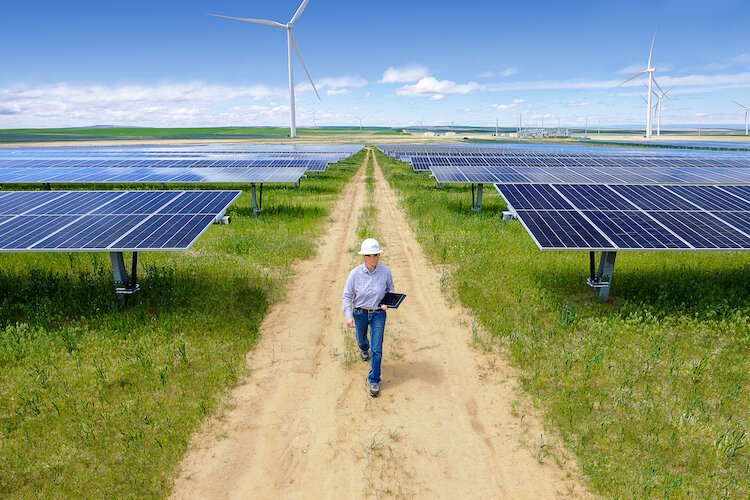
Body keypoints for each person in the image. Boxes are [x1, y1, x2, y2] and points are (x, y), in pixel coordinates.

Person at [342, 238, 394, 398]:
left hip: (378, 313)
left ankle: (374, 380)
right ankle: (364, 349)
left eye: (377, 254)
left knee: (377, 349)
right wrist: (348, 316)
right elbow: (347, 296)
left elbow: (390, 289)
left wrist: (387, 302)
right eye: (371, 255)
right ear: (364, 256)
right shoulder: (355, 274)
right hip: (360, 313)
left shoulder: (385, 271)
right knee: (362, 340)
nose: (375, 258)